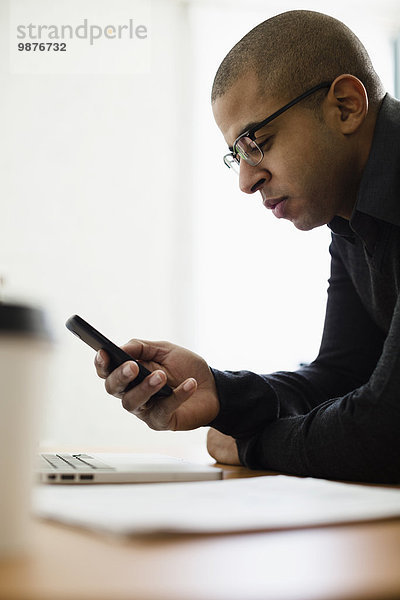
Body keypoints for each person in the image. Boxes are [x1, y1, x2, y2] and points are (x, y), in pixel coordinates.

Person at [95, 10, 400, 484]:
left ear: (345, 105)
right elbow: (345, 376)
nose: (245, 180)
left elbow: (385, 430)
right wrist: (221, 395)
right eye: (235, 155)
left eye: (257, 142)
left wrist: (251, 443)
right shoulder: (351, 217)